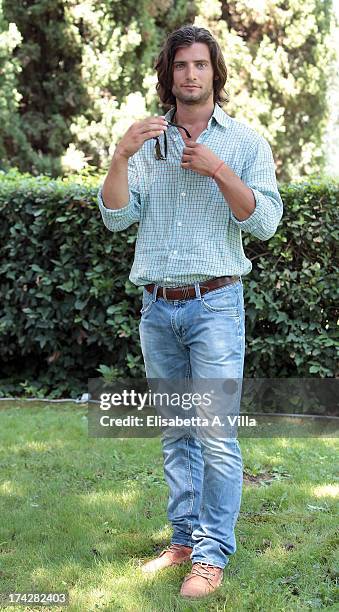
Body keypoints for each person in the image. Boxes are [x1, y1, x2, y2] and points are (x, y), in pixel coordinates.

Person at [98, 24, 283, 600]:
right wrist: (121, 155)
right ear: (169, 74)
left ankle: (211, 555)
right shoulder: (147, 140)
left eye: (201, 64)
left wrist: (220, 171)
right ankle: (183, 539)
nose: (191, 74)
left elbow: (265, 222)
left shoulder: (245, 143)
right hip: (158, 308)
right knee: (177, 432)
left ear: (214, 73)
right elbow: (116, 217)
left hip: (216, 305)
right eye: (182, 65)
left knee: (216, 434)